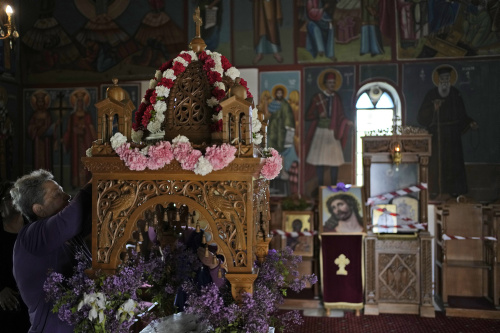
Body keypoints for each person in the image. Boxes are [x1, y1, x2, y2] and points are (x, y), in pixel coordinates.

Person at [11, 169, 92, 333]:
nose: (67, 197)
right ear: (39, 210)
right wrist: (98, 178)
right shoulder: (30, 235)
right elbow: (72, 216)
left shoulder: (68, 236)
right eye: (57, 195)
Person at [417, 65, 478, 200]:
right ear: (438, 80)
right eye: (443, 79)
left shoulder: (455, 94)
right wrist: (433, 107)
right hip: (436, 134)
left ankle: (455, 190)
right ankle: (434, 190)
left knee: (454, 163)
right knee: (436, 163)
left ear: (451, 80)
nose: (445, 81)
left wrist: (470, 122)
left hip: (452, 136)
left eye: (447, 79)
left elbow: (462, 114)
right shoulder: (431, 94)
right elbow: (421, 116)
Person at [305, 70, 352, 188]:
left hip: (333, 131)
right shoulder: (318, 97)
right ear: (325, 83)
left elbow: (340, 114)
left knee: (334, 161)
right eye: (330, 82)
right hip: (321, 131)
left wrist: (346, 121)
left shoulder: (336, 98)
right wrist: (318, 115)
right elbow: (308, 116)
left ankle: (334, 186)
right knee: (319, 161)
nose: (332, 85)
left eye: (333, 82)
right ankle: (321, 188)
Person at [0, 182, 30, 332]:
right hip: (4, 308)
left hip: (30, 307)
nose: (16, 199)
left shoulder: (33, 228)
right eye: (10, 197)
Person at [266, 85, 297, 196]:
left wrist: (287, 127)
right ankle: (273, 171)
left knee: (281, 152)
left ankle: (281, 171)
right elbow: (268, 115)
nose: (279, 95)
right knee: (272, 152)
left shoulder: (285, 105)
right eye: (277, 93)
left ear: (282, 94)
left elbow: (288, 117)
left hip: (282, 133)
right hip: (273, 131)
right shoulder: (272, 104)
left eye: (280, 93)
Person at [63, 89, 97, 188]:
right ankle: (76, 183)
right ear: (76, 104)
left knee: (86, 162)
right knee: (76, 163)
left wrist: (95, 141)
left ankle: (86, 183)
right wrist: (65, 139)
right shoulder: (72, 116)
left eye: (82, 102)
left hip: (85, 143)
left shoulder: (87, 115)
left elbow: (91, 128)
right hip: (75, 144)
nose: (80, 104)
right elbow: (69, 130)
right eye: (78, 102)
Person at [28, 90, 54, 171]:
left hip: (45, 141)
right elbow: (30, 127)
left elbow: (50, 127)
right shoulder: (34, 115)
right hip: (37, 141)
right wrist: (36, 127)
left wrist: (43, 128)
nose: (40, 104)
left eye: (42, 102)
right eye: (38, 102)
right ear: (36, 103)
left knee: (46, 158)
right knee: (37, 159)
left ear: (44, 103)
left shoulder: (47, 115)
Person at [252, 0, 284, 64]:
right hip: (259, 7)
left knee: (272, 31)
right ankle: (259, 53)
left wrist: (278, 13)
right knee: (260, 30)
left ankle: (275, 52)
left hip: (270, 7)